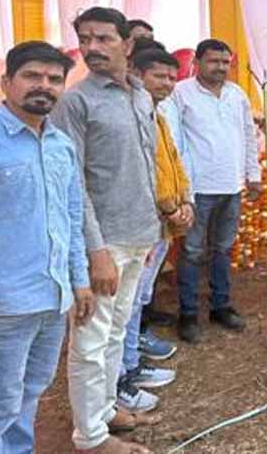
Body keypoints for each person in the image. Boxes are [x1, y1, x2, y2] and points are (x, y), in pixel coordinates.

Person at [0, 41, 95, 453]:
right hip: (1, 303)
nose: (44, 86)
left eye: (54, 79)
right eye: (32, 76)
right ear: (6, 82)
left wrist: (79, 281)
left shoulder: (61, 144)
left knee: (32, 390)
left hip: (53, 298)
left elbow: (70, 217)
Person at [50, 7, 162, 454]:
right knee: (90, 341)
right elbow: (72, 181)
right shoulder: (75, 102)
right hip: (104, 243)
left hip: (139, 235)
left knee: (117, 331)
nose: (92, 48)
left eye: (103, 38)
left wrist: (153, 230)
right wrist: (94, 251)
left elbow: (146, 165)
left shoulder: (140, 94)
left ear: (127, 44)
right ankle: (90, 437)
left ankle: (105, 409)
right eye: (85, 39)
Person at [115, 48, 194, 413]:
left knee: (138, 300)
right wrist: (170, 207)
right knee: (125, 305)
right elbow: (143, 174)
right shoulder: (130, 116)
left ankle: (131, 364)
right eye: (159, 76)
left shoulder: (156, 114)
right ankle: (120, 380)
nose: (167, 83)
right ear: (135, 73)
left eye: (172, 77)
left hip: (161, 224)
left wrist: (185, 200)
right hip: (142, 225)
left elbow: (172, 163)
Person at [170, 39, 261, 343]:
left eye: (225, 62)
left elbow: (249, 136)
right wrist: (182, 187)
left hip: (231, 186)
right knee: (192, 251)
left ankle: (220, 306)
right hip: (197, 190)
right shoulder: (180, 94)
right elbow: (174, 142)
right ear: (196, 62)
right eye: (213, 61)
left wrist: (253, 175)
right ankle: (188, 314)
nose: (220, 67)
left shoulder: (237, 95)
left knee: (222, 249)